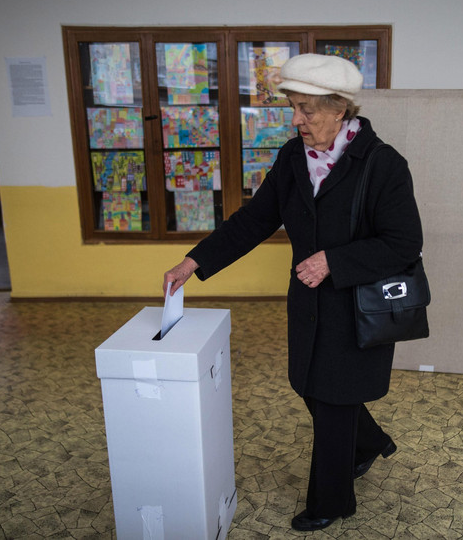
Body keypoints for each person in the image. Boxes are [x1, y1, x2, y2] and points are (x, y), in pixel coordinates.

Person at [163, 54, 423, 532]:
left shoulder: (383, 165)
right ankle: (368, 443)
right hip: (308, 303)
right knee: (310, 385)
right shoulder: (291, 157)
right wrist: (195, 261)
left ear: (340, 108)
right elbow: (256, 219)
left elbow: (404, 243)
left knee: (332, 397)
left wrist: (333, 260)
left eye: (308, 109)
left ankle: (333, 500)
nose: (297, 120)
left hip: (356, 305)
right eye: (293, 107)